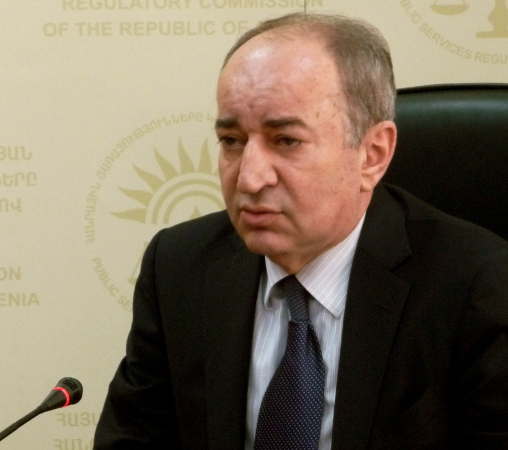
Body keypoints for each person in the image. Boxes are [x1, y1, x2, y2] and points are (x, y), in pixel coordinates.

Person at [93, 12, 508, 449]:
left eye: (286, 141)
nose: (249, 178)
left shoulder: (476, 287)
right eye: (232, 141)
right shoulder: (179, 266)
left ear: (372, 154)